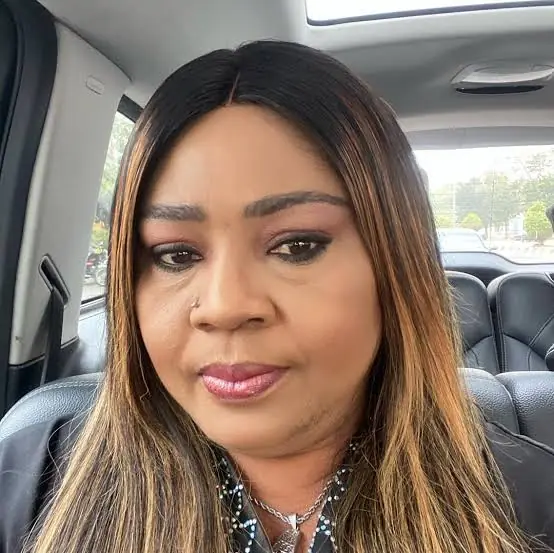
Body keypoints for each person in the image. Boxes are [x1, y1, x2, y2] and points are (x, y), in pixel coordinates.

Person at [0, 40, 553, 553]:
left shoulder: (531, 499)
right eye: (176, 255)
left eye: (297, 246)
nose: (225, 307)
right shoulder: (34, 479)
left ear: (394, 266)